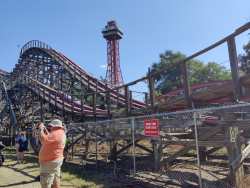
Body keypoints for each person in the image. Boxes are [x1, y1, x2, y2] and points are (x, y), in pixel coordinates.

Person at [39, 119, 66, 188]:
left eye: (51, 126)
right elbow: (52, 140)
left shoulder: (56, 133)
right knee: (56, 179)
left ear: (55, 126)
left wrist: (41, 129)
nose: (50, 127)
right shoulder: (61, 133)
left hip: (50, 161)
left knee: (46, 183)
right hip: (57, 159)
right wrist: (46, 132)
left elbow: (42, 139)